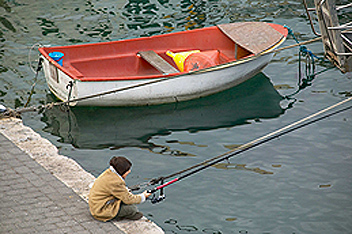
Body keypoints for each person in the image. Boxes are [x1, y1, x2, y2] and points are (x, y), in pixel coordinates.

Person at [89, 156, 151, 222]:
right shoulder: (116, 182)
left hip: (96, 205)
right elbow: (129, 199)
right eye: (127, 170)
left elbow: (119, 191)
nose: (129, 171)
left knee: (126, 202)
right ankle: (120, 215)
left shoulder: (108, 173)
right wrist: (143, 196)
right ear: (122, 171)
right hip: (100, 211)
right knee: (132, 208)